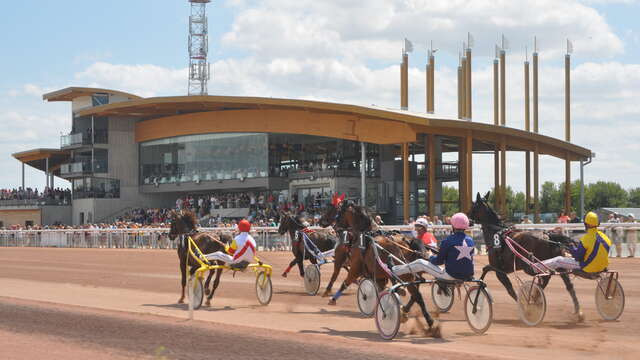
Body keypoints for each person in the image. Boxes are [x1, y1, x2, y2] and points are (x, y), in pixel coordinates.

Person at [393, 213, 474, 281]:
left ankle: (394, 270)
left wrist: (430, 256)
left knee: (420, 262)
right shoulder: (470, 240)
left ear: (452, 225)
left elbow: (438, 262)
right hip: (468, 274)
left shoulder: (448, 240)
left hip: (451, 275)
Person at [541, 212, 611, 273]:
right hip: (602, 266)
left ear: (586, 224)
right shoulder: (605, 237)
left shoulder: (585, 239)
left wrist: (571, 247)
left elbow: (578, 257)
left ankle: (535, 267)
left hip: (587, 267)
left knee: (558, 260)